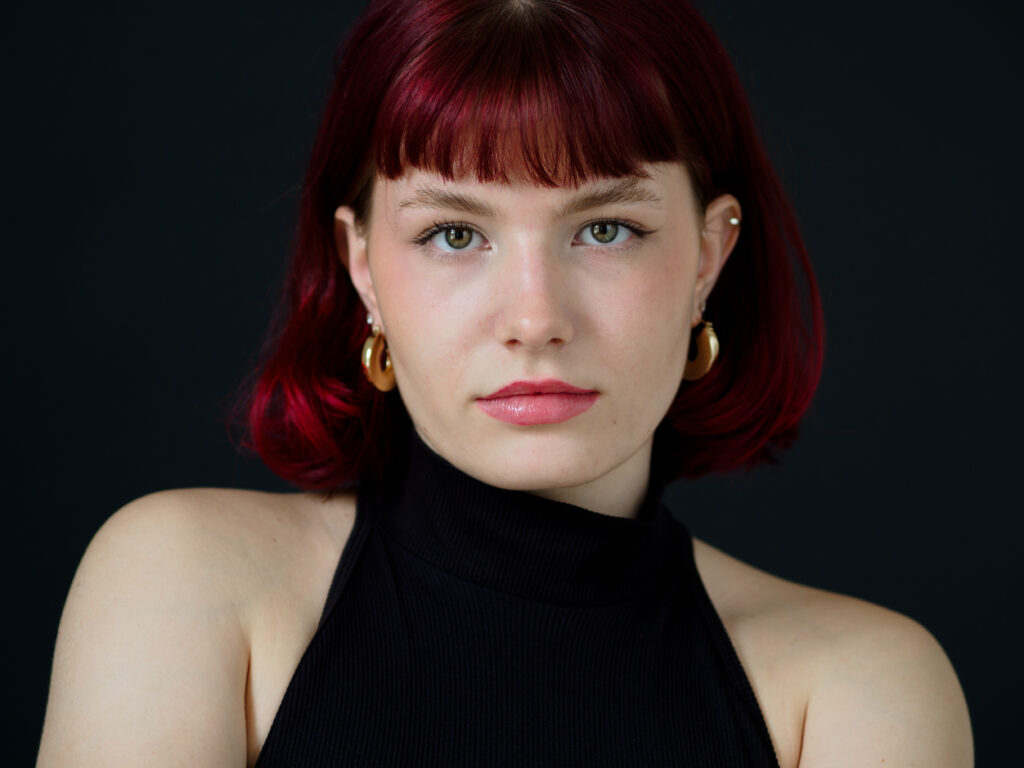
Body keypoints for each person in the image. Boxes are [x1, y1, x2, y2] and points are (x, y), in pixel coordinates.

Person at [37, 0, 973, 765]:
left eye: (606, 229)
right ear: (363, 267)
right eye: (454, 234)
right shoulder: (186, 583)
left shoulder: (860, 687)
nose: (533, 317)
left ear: (707, 257)